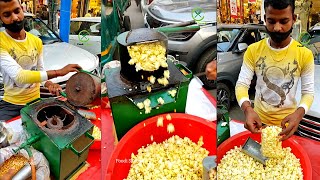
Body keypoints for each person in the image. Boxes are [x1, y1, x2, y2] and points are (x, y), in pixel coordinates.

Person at [235, 0, 314, 141]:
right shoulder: (253, 50)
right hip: (258, 123)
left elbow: (308, 93)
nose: (277, 28)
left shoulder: (305, 54)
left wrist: (299, 114)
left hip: (288, 125)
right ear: (265, 19)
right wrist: (248, 109)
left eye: (284, 21)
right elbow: (242, 85)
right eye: (271, 21)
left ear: (294, 19)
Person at [0, 0, 82, 121]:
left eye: (17, 11)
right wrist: (59, 72)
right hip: (11, 105)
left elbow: (39, 72)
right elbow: (20, 76)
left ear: (23, 10)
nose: (15, 18)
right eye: (7, 15)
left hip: (35, 102)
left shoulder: (36, 41)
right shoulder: (1, 42)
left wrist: (49, 84)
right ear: (1, 18)